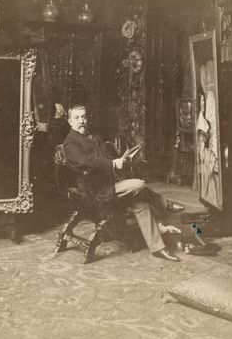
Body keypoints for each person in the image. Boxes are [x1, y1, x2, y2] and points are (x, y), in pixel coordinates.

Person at [63, 104, 186, 262]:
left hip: (109, 182)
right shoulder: (70, 142)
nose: (81, 121)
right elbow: (86, 161)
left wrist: (122, 159)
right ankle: (164, 203)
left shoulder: (92, 136)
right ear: (69, 121)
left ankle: (158, 248)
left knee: (140, 201)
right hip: (96, 190)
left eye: (84, 117)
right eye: (77, 118)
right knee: (139, 184)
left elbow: (105, 157)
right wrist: (113, 164)